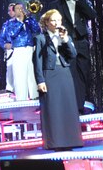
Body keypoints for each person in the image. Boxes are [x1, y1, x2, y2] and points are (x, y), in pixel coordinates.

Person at [33, 9, 84, 150]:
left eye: (59, 20)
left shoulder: (64, 36)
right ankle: (56, 142)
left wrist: (65, 39)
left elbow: (73, 55)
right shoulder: (40, 38)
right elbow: (37, 61)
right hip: (49, 74)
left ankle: (71, 140)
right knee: (53, 108)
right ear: (47, 22)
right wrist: (40, 80)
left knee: (68, 106)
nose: (57, 23)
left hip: (64, 73)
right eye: (54, 20)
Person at [47, 0, 97, 113]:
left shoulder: (82, 1)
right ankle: (71, 106)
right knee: (72, 73)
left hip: (81, 41)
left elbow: (92, 15)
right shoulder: (55, 4)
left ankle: (79, 106)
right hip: (67, 42)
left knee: (83, 73)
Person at [0, 3, 40, 100]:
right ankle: (21, 98)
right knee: (19, 75)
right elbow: (12, 33)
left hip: (30, 49)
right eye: (18, 9)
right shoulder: (10, 23)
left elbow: (37, 30)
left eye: (22, 8)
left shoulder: (28, 21)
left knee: (32, 74)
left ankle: (35, 96)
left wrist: (30, 17)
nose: (20, 10)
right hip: (18, 49)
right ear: (14, 11)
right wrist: (20, 21)